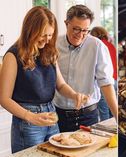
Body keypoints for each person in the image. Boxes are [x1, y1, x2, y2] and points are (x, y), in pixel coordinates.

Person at [0, 6, 88, 153]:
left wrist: (74, 95)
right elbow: (4, 98)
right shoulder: (13, 55)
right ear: (30, 30)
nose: (47, 40)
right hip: (27, 120)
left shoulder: (49, 52)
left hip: (51, 115)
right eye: (43, 35)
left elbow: (60, 85)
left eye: (50, 35)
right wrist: (30, 117)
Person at [54, 4, 118, 132]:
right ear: (66, 24)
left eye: (85, 30)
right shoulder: (54, 44)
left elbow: (106, 84)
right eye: (76, 29)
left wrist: (118, 118)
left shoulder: (97, 46)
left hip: (88, 116)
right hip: (58, 116)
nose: (80, 34)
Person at [90, 26, 117, 121]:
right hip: (115, 81)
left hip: (104, 84)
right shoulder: (111, 45)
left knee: (104, 112)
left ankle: (108, 134)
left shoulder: (97, 46)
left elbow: (97, 69)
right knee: (114, 111)